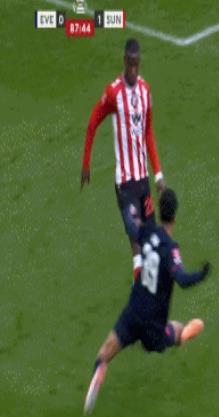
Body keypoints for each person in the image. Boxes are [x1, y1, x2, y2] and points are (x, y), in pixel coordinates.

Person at [84, 188, 210, 415]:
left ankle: (101, 368)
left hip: (132, 313)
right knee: (176, 331)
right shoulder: (170, 249)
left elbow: (132, 224)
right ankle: (184, 334)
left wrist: (127, 204)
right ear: (175, 216)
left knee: (103, 355)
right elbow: (182, 279)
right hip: (153, 327)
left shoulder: (147, 232)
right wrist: (201, 274)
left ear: (159, 212)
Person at [81, 37, 166, 279]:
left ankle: (146, 285)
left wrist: (158, 174)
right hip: (125, 184)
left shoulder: (145, 91)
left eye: (136, 64)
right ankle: (140, 281)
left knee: (150, 239)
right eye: (130, 64)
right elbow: (93, 121)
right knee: (135, 233)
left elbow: (148, 133)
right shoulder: (113, 92)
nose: (133, 70)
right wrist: (86, 162)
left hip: (143, 180)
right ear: (124, 61)